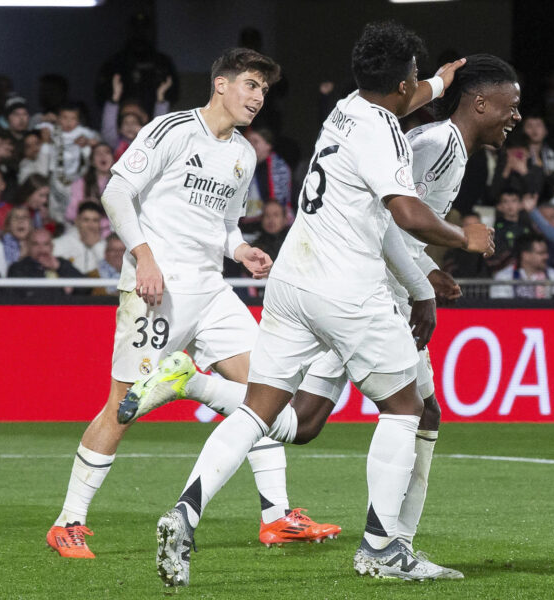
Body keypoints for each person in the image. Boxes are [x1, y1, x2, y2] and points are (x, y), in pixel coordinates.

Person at [150, 23, 494, 586]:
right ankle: (383, 551)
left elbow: (409, 94)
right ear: (401, 83)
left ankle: (184, 511)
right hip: (348, 289)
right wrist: (464, 237)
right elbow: (405, 214)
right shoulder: (384, 132)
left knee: (262, 410)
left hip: (291, 281)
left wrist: (438, 79)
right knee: (406, 408)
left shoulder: (346, 106)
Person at [45, 48, 336, 561]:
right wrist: (145, 259)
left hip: (212, 290)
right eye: (249, 85)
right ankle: (68, 522)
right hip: (157, 287)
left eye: (263, 90)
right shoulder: (172, 130)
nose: (257, 97)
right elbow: (116, 192)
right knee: (123, 405)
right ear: (220, 84)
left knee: (265, 392)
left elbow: (223, 226)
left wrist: (240, 249)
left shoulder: (243, 154)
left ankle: (277, 516)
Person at [6, 228, 87, 298]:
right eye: (35, 244)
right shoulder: (17, 268)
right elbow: (29, 294)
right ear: (28, 247)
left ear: (52, 247)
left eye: (46, 244)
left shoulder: (61, 263)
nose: (41, 249)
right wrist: (62, 290)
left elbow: (86, 289)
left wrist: (58, 267)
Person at [490, 233, 554, 299]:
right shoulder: (504, 277)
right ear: (525, 255)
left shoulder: (551, 274)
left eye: (546, 252)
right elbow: (500, 308)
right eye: (541, 253)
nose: (546, 256)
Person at [53, 201, 106, 274]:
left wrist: (95, 246)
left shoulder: (106, 246)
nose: (91, 225)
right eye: (86, 220)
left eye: (95, 220)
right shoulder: (60, 243)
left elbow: (109, 270)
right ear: (77, 221)